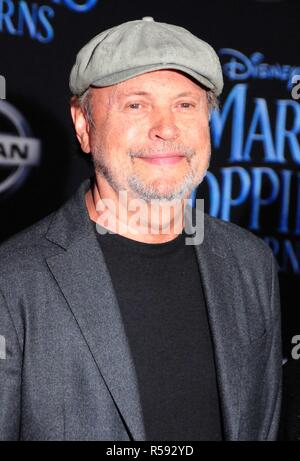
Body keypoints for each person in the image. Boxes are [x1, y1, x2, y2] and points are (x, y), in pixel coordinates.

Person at [0, 17, 282, 441]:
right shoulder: (13, 279)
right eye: (136, 104)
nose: (166, 129)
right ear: (83, 125)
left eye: (185, 105)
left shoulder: (250, 264)